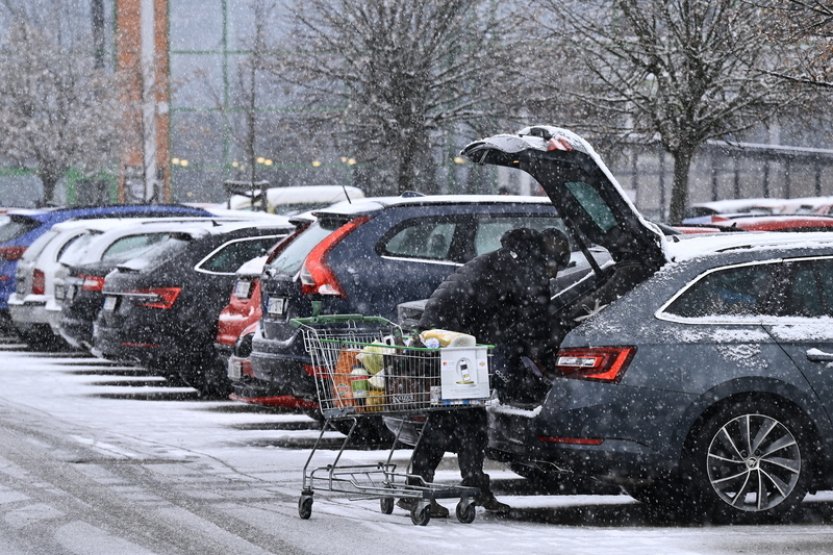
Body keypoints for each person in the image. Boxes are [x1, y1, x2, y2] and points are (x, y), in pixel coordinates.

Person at [397, 227, 571, 517]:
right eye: (555, 267)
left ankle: (458, 486)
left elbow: (513, 322)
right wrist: (542, 357)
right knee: (456, 416)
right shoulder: (524, 272)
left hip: (444, 331)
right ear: (546, 258)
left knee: (461, 415)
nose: (554, 275)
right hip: (455, 338)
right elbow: (526, 327)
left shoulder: (511, 259)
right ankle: (434, 488)